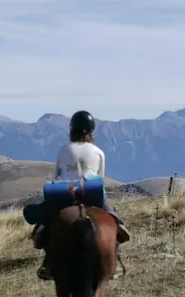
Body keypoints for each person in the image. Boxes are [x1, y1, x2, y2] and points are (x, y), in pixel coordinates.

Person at [32, 110, 131, 280]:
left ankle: (48, 261)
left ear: (72, 130)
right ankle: (116, 244)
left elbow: (57, 176)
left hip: (65, 193)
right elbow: (100, 178)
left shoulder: (64, 150)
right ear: (91, 131)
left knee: (47, 223)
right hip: (91, 191)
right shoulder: (99, 152)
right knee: (110, 215)